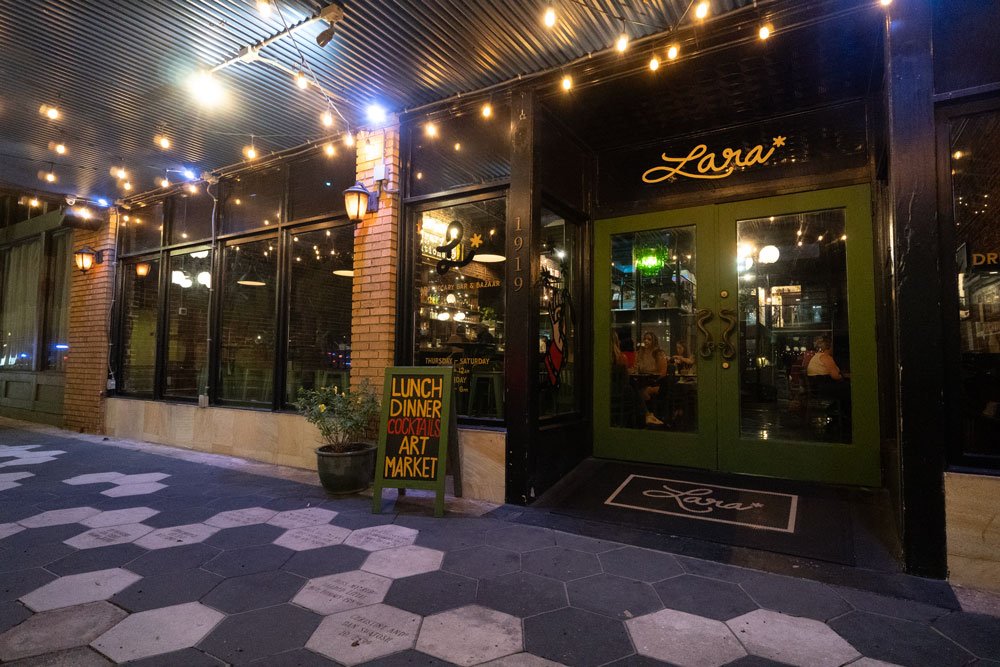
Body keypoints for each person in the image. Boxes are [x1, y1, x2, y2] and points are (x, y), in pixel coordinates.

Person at [806, 335, 851, 421]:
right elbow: (836, 376)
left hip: (817, 388)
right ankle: (845, 415)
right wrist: (846, 376)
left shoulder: (817, 356)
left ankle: (838, 411)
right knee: (849, 389)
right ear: (830, 347)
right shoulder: (826, 357)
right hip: (824, 389)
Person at [633, 331, 669, 426]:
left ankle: (647, 415)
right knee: (634, 388)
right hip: (643, 381)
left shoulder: (658, 353)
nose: (646, 341)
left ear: (654, 341)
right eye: (645, 339)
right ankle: (646, 416)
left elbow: (663, 373)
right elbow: (636, 367)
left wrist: (653, 379)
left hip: (656, 383)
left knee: (638, 391)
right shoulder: (640, 353)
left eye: (649, 339)